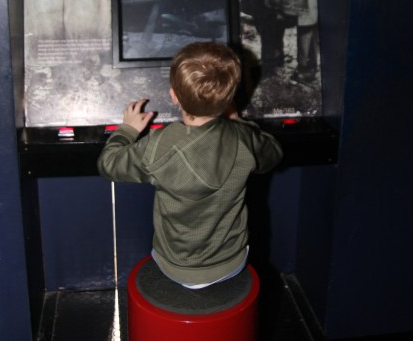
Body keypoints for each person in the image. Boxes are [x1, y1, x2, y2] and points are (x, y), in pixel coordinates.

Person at [97, 42, 283, 288]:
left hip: (173, 265)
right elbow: (274, 153)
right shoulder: (244, 139)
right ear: (230, 97)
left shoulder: (157, 145)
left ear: (174, 95)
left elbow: (108, 164)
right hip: (230, 261)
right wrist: (237, 122)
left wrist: (127, 130)